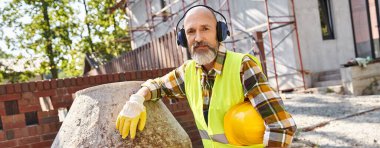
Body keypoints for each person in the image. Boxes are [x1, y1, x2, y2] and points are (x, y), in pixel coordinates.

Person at [116, 5, 297, 147]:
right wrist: (137, 99)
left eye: (205, 29)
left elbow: (282, 126)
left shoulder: (242, 67)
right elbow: (158, 86)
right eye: (191, 31)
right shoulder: (187, 73)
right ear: (183, 38)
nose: (198, 38)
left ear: (219, 32)